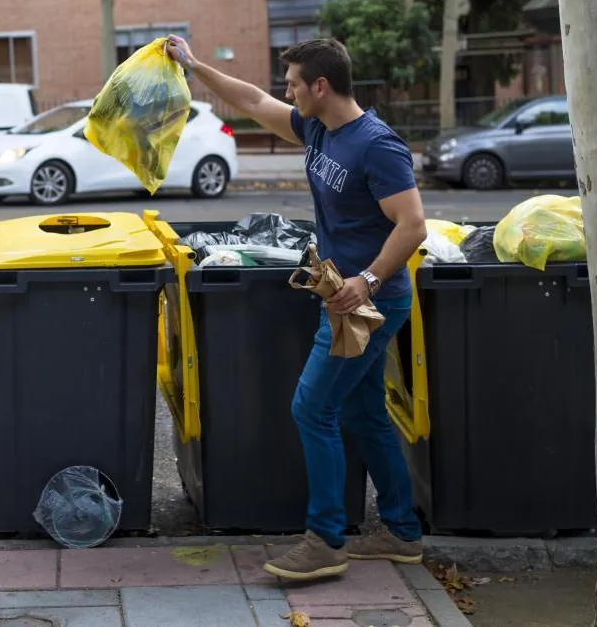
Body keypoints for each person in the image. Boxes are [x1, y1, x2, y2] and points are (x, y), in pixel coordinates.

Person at [166, 35, 428, 581]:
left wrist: (369, 280)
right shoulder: (316, 128)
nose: (286, 92)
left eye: (293, 83)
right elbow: (253, 102)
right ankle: (402, 533)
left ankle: (326, 540)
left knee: (312, 408)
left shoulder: (375, 145)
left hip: (365, 306)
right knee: (362, 412)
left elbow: (413, 225)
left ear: (321, 86)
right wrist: (195, 66)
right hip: (337, 295)